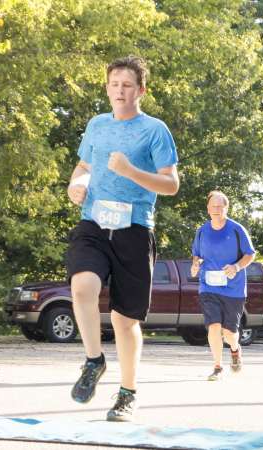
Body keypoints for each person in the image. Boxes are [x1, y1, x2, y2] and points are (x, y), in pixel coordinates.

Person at [66, 56, 179, 421]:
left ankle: (127, 394)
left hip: (134, 229)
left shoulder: (154, 130)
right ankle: (93, 360)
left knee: (124, 320)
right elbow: (83, 167)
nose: (119, 90)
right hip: (94, 223)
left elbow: (171, 184)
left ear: (140, 90)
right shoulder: (96, 125)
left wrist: (131, 171)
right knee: (82, 286)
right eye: (114, 84)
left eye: (127, 85)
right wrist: (76, 185)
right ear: (107, 88)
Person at [191, 191, 256, 381]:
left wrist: (236, 266)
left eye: (220, 207)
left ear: (226, 208)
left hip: (233, 289)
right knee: (213, 326)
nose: (216, 210)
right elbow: (197, 254)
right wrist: (196, 264)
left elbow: (250, 254)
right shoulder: (202, 231)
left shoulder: (237, 229)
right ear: (208, 209)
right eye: (213, 207)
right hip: (208, 286)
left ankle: (235, 350)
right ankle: (217, 367)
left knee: (229, 333)